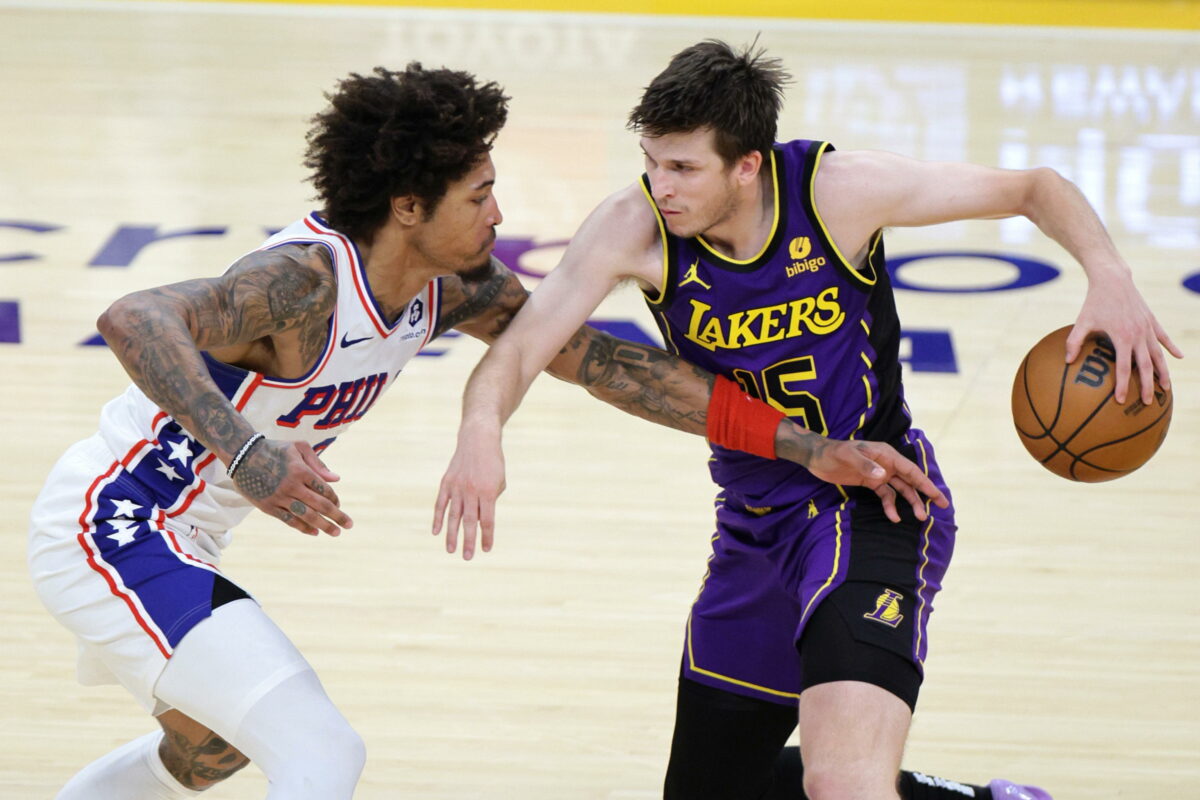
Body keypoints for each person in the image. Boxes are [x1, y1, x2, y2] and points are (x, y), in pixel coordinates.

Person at [27, 62, 953, 800]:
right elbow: (134, 317)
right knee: (321, 751)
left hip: (184, 537)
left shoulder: (453, 286)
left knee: (208, 752)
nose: (500, 214)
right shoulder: (303, 283)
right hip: (115, 526)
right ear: (407, 208)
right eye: (478, 196)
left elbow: (607, 364)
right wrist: (248, 451)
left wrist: (802, 446)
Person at [434, 40, 1181, 800]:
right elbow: (520, 347)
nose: (661, 186)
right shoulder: (632, 225)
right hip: (754, 523)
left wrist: (1111, 277)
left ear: (747, 165)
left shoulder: (839, 194)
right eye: (652, 161)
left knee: (842, 784)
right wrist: (480, 429)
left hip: (876, 500)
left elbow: (1035, 188)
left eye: (684, 167)